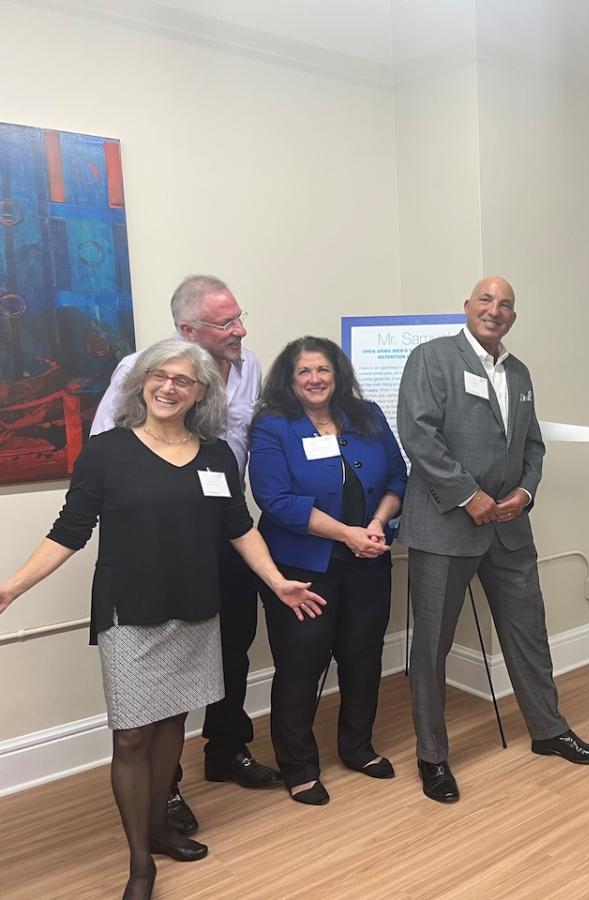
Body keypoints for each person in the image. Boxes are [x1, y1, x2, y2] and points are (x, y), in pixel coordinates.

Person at [0, 339, 325, 900]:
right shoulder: (107, 451)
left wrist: (277, 582)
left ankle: (157, 827)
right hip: (131, 609)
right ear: (143, 382)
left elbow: (239, 528)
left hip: (197, 607)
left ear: (202, 393)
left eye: (184, 380)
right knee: (131, 736)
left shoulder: (217, 455)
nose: (169, 387)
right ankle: (139, 864)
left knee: (174, 722)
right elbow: (69, 532)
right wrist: (10, 588)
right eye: (161, 376)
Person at [396, 275, 589, 803]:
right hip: (446, 524)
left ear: (513, 316)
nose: (495, 309)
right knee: (432, 645)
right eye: (486, 300)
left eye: (506, 304)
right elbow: (418, 432)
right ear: (467, 307)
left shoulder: (520, 372)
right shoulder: (433, 357)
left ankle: (549, 730)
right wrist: (469, 496)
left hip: (510, 527)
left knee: (528, 630)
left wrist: (526, 493)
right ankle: (433, 756)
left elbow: (533, 444)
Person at [91, 275, 277, 835]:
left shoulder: (249, 367)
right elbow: (105, 452)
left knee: (235, 642)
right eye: (226, 324)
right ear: (187, 329)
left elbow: (237, 451)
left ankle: (225, 748)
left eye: (239, 317)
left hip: (228, 530)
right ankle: (163, 789)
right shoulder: (142, 371)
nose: (240, 330)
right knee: (164, 657)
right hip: (167, 539)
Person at [249, 337, 407, 804]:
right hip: (302, 568)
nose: (315, 379)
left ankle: (358, 747)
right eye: (304, 372)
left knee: (363, 656)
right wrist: (348, 534)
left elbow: (398, 476)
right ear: (289, 379)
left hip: (368, 559)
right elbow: (275, 500)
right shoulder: (273, 425)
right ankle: (298, 766)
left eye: (323, 370)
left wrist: (377, 525)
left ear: (337, 375)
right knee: (301, 665)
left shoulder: (368, 414)